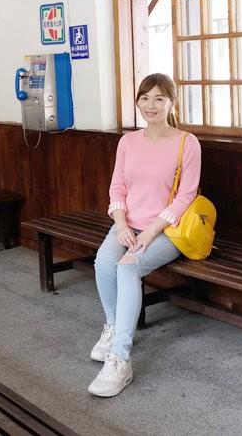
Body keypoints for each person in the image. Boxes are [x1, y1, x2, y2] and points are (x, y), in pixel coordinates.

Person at [87, 73, 202, 397]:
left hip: (167, 230)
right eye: (145, 98)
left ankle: (120, 359)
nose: (150, 105)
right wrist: (122, 225)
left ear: (171, 103)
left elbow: (186, 196)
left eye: (159, 99)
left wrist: (150, 232)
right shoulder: (128, 141)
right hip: (128, 224)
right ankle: (113, 326)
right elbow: (118, 187)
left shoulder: (186, 142)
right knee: (103, 262)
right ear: (138, 101)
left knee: (127, 267)